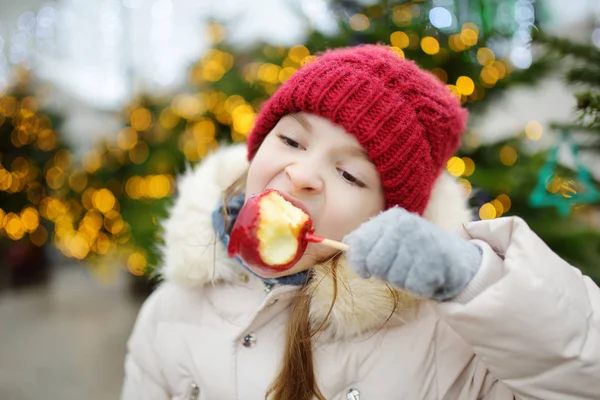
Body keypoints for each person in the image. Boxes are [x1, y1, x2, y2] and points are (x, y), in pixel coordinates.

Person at [121, 44, 600, 400]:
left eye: (349, 173)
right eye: (291, 141)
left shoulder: (443, 339)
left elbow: (583, 377)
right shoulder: (172, 313)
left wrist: (476, 282)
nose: (303, 173)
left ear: (385, 215)